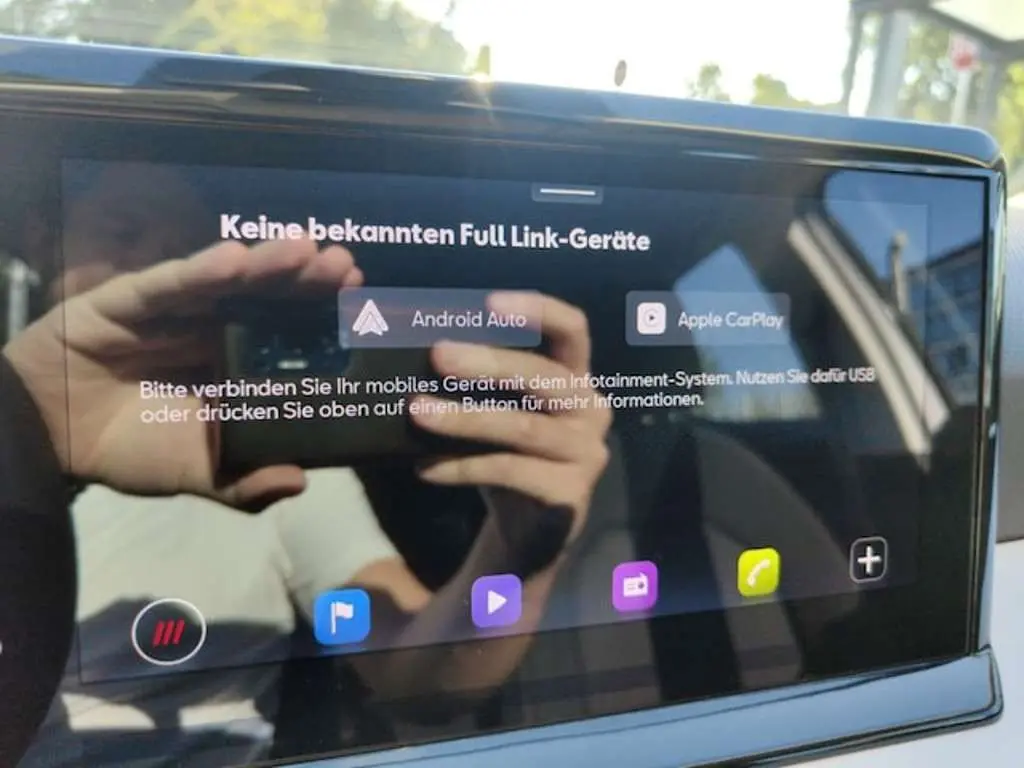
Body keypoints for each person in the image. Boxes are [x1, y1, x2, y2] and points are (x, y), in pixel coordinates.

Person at [4, 165, 611, 765]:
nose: (152, 264)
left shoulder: (270, 449)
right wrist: (27, 431)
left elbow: (417, 677)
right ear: (41, 234)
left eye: (185, 249)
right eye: (125, 231)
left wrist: (514, 558)